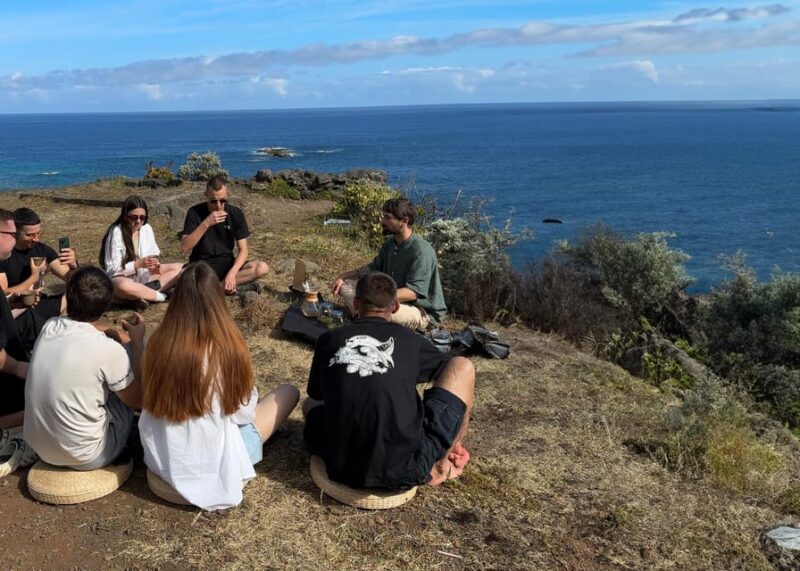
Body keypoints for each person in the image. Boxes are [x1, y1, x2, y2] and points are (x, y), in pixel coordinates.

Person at [139, 262, 299, 510]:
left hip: (163, 456)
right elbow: (242, 414)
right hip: (215, 460)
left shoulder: (157, 342)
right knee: (289, 392)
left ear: (177, 298)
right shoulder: (229, 348)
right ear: (217, 299)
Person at [304, 271, 474, 489]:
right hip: (405, 470)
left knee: (310, 405)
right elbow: (449, 373)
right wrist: (452, 436)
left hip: (341, 465)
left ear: (356, 304)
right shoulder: (413, 342)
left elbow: (317, 395)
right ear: (394, 307)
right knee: (463, 366)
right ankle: (440, 465)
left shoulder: (329, 339)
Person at [23, 266, 145, 470]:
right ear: (106, 305)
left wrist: (112, 332)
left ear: (68, 298)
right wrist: (137, 343)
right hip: (88, 455)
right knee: (128, 360)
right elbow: (137, 400)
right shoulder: (108, 350)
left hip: (40, 447)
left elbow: (74, 319)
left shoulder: (50, 327)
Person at [331, 197, 446, 331]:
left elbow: (413, 292)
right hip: (389, 299)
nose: (382, 221)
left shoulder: (421, 251)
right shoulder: (390, 244)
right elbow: (371, 268)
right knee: (346, 285)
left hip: (420, 311)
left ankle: (365, 319)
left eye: (387, 217)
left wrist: (375, 298)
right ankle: (368, 318)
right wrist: (343, 276)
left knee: (372, 308)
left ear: (404, 221)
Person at [0, 207, 76, 349]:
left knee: (74, 297)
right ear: (15, 233)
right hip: (15, 310)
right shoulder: (4, 255)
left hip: (39, 302)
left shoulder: (41, 249)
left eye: (38, 233)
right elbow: (3, 294)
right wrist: (34, 277)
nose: (36, 239)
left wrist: (74, 265)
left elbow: (71, 278)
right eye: (30, 235)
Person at [180, 175, 268, 294]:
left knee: (262, 268)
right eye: (213, 201)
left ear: (227, 196)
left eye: (222, 201)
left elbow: (244, 250)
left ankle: (219, 287)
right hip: (202, 266)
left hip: (227, 264)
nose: (218, 205)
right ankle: (224, 289)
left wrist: (232, 273)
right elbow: (184, 247)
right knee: (187, 278)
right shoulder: (194, 212)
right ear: (205, 195)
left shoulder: (235, 213)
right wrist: (206, 223)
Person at [100, 195, 183, 305]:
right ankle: (161, 296)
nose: (138, 221)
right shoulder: (117, 232)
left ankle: (140, 294)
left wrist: (154, 264)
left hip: (146, 276)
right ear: (125, 216)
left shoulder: (146, 228)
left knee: (184, 268)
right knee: (122, 285)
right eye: (133, 217)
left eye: (142, 218)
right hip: (124, 278)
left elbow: (154, 255)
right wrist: (136, 265)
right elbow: (112, 270)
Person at [0, 209, 31, 430]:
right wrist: (20, 368)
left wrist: (16, 306)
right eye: (12, 235)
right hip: (7, 382)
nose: (16, 239)